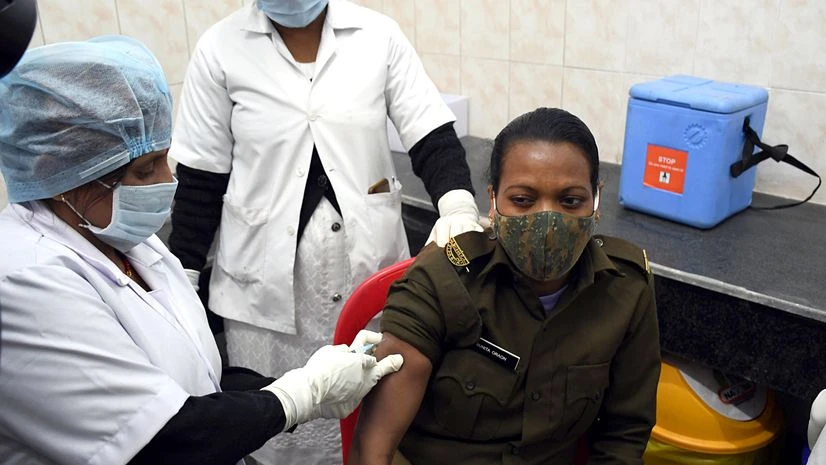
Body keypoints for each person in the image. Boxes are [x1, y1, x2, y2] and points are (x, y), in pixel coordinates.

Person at [0, 36, 403, 465]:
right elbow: (159, 440)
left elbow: (197, 380)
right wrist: (302, 395)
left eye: (163, 159)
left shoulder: (118, 239)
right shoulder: (25, 281)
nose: (166, 181)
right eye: (144, 170)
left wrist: (303, 379)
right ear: (55, 173)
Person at [167, 0, 481, 463]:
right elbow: (201, 179)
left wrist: (457, 204)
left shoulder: (378, 35)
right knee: (279, 432)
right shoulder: (220, 48)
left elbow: (431, 136)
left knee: (371, 431)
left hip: (367, 283)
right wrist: (183, 278)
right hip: (265, 300)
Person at [349, 108, 662, 465]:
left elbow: (623, 434)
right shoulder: (442, 280)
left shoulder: (624, 289)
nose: (547, 221)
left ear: (597, 200)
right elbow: (373, 450)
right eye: (523, 200)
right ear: (493, 201)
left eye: (570, 201)